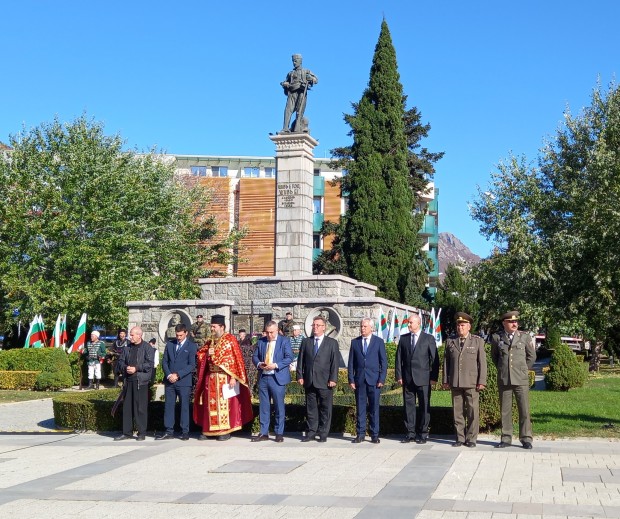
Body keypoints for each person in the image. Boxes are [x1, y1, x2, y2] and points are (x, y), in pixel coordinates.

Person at [193, 315, 253, 441]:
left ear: (222, 327)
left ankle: (224, 430)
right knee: (209, 404)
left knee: (224, 404)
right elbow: (200, 354)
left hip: (224, 378)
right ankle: (209, 429)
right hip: (210, 378)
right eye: (211, 326)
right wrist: (205, 356)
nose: (212, 329)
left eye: (214, 326)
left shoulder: (230, 340)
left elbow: (236, 360)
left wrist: (233, 377)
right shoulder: (210, 341)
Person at [490, 311, 536, 449]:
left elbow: (531, 356)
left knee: (524, 409)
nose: (514, 324)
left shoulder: (524, 337)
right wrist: (504, 369)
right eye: (511, 322)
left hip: (520, 379)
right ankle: (506, 438)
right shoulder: (497, 337)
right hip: (505, 379)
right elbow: (495, 357)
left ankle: (526, 438)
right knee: (505, 410)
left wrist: (523, 369)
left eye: (516, 321)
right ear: (504, 323)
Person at [442, 312, 487, 448]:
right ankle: (460, 437)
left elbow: (482, 363)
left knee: (473, 411)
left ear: (469, 326)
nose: (460, 328)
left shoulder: (477, 341)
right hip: (455, 381)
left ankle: (472, 438)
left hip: (472, 382)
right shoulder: (450, 341)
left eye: (462, 325)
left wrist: (482, 381)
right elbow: (446, 362)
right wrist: (445, 380)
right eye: (458, 325)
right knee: (458, 411)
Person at [395, 314, 439, 444]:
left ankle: (423, 433)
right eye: (408, 323)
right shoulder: (403, 339)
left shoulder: (428, 338)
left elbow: (435, 360)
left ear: (418, 323)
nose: (408, 325)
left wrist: (433, 377)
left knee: (424, 406)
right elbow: (398, 359)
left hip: (424, 379)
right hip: (408, 379)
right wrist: (399, 376)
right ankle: (410, 433)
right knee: (409, 407)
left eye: (410, 323)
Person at [296, 315, 339, 442]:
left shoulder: (332, 343)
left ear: (324, 327)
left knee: (325, 408)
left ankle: (323, 432)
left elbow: (334, 363)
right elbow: (301, 361)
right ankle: (311, 432)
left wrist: (333, 379)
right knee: (311, 408)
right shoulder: (306, 342)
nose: (315, 327)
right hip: (309, 381)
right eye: (314, 325)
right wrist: (300, 375)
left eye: (318, 325)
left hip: (325, 381)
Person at [251, 320, 294, 442]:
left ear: (277, 331)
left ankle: (279, 433)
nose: (269, 335)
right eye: (267, 332)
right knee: (264, 407)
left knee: (279, 406)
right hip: (264, 377)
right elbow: (255, 356)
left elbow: (289, 357)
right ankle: (264, 433)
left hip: (277, 378)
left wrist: (275, 365)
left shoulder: (284, 341)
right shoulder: (261, 341)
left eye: (272, 332)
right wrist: (260, 364)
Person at [348, 317, 387, 444]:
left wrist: (381, 378)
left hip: (374, 380)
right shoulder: (355, 342)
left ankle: (374, 434)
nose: (362, 328)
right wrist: (351, 379)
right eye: (361, 326)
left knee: (374, 408)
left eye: (365, 326)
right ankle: (360, 434)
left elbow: (383, 362)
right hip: (360, 380)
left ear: (371, 328)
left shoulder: (378, 342)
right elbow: (351, 363)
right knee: (360, 408)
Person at [157, 323, 197, 441]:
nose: (178, 337)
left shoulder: (191, 346)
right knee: (169, 406)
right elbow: (164, 362)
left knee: (184, 406)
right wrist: (169, 374)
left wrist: (178, 375)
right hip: (170, 381)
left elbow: (192, 365)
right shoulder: (170, 344)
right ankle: (169, 431)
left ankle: (185, 431)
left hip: (184, 382)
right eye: (177, 335)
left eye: (180, 335)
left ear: (186, 333)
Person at [115, 327, 154, 441]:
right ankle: (127, 433)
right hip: (128, 381)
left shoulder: (147, 347)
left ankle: (141, 433)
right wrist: (126, 367)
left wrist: (136, 368)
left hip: (140, 381)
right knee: (127, 408)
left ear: (139, 335)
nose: (130, 337)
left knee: (140, 408)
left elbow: (149, 364)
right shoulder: (127, 348)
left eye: (132, 335)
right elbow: (121, 362)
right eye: (130, 335)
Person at [280, 54, 318, 133]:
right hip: (292, 93)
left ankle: (297, 128)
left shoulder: (306, 71)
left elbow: (316, 79)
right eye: (293, 61)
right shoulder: (291, 73)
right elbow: (286, 81)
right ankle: (285, 128)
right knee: (288, 110)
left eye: (295, 61)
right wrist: (285, 84)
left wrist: (311, 79)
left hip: (301, 92)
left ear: (300, 61)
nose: (294, 63)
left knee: (299, 111)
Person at [237, 328, 257, 395]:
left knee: (249, 377)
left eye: (242, 333)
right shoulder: (238, 342)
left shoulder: (248, 341)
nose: (240, 335)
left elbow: (250, 349)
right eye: (240, 333)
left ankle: (250, 391)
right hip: (240, 361)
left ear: (244, 334)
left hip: (247, 361)